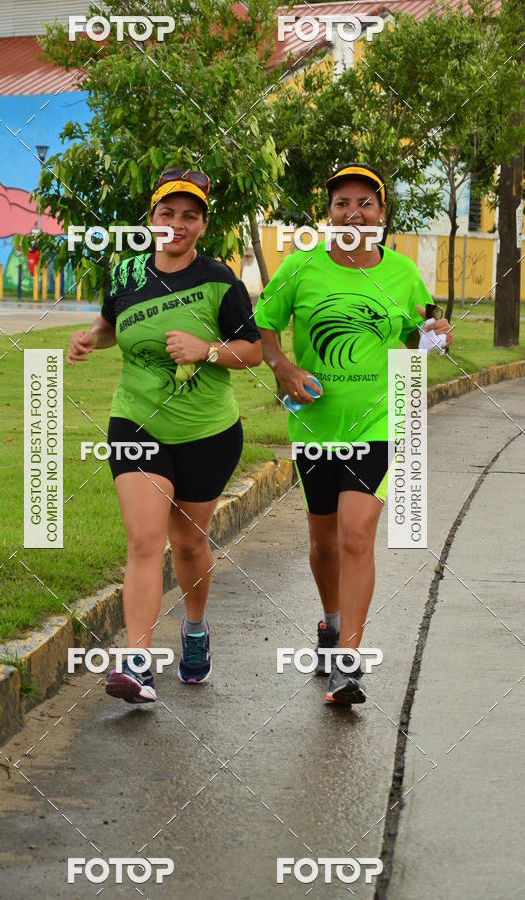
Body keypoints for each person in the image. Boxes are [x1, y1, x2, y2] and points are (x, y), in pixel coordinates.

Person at [254, 162, 452, 704]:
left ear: (381, 215)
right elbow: (265, 325)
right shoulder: (300, 268)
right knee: (323, 543)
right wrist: (283, 368)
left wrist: (436, 331)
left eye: (365, 203)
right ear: (329, 213)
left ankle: (348, 661)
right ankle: (331, 621)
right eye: (342, 203)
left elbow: (422, 330)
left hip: (382, 422)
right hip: (315, 420)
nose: (353, 212)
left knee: (357, 534)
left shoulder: (402, 273)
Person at [67, 168, 262, 703]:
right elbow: (112, 327)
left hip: (207, 431)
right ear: (152, 219)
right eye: (167, 213)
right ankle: (137, 662)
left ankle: (195, 631)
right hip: (137, 421)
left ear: (202, 224)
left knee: (190, 544)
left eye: (189, 215)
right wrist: (88, 339)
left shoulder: (221, 281)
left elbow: (252, 351)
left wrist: (207, 350)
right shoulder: (126, 274)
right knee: (144, 541)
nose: (177, 223)